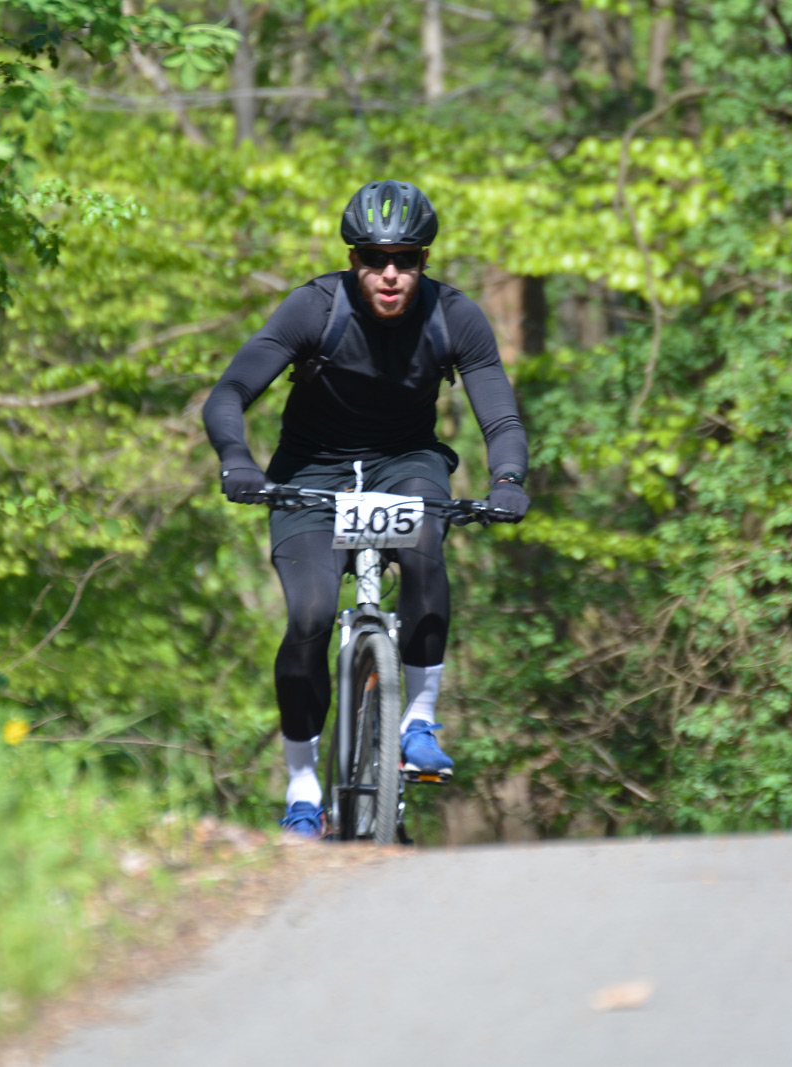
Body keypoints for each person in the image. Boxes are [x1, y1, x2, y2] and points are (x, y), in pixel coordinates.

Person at [201, 179, 531, 838]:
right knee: (311, 616)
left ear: (423, 262)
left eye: (406, 260)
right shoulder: (312, 309)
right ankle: (303, 787)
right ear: (353, 260)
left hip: (404, 462)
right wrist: (236, 457)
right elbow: (230, 391)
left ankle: (419, 719)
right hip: (310, 472)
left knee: (424, 537)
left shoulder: (453, 316)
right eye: (375, 259)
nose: (389, 274)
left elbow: (499, 414)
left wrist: (509, 477)